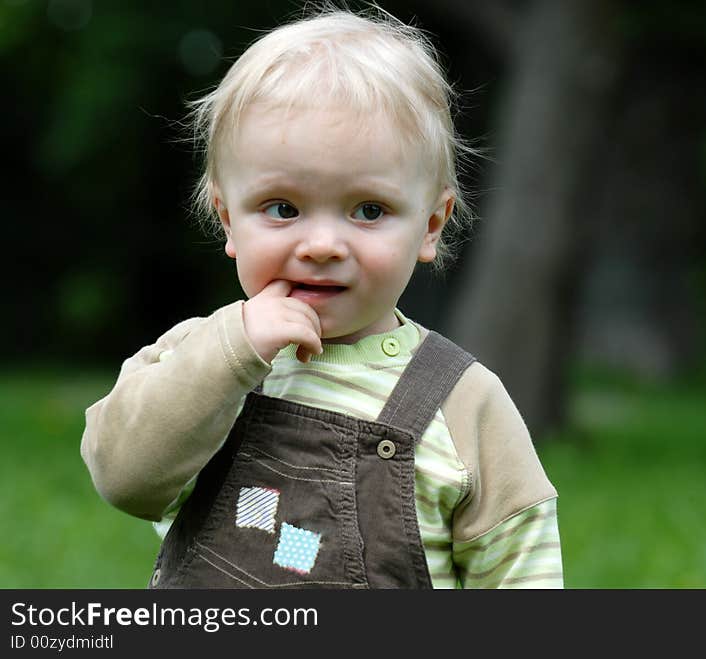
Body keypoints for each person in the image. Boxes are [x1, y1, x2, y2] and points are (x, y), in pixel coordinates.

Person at [81, 6, 562, 589]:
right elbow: (124, 479)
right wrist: (233, 353)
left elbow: (519, 568)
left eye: (369, 211)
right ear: (228, 219)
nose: (323, 244)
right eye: (283, 209)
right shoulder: (201, 357)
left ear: (431, 225)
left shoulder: (465, 403)